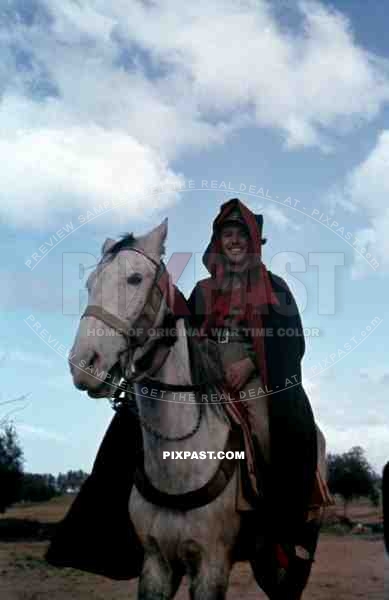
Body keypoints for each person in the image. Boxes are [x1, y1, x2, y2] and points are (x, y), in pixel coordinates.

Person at [187, 198, 318, 591]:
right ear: (218, 241)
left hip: (252, 377)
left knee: (268, 430)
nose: (234, 241)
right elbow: (183, 335)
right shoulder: (202, 290)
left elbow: (290, 342)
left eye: (241, 234)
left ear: (254, 241)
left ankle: (278, 526)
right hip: (205, 379)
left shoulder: (274, 288)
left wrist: (250, 365)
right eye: (227, 235)